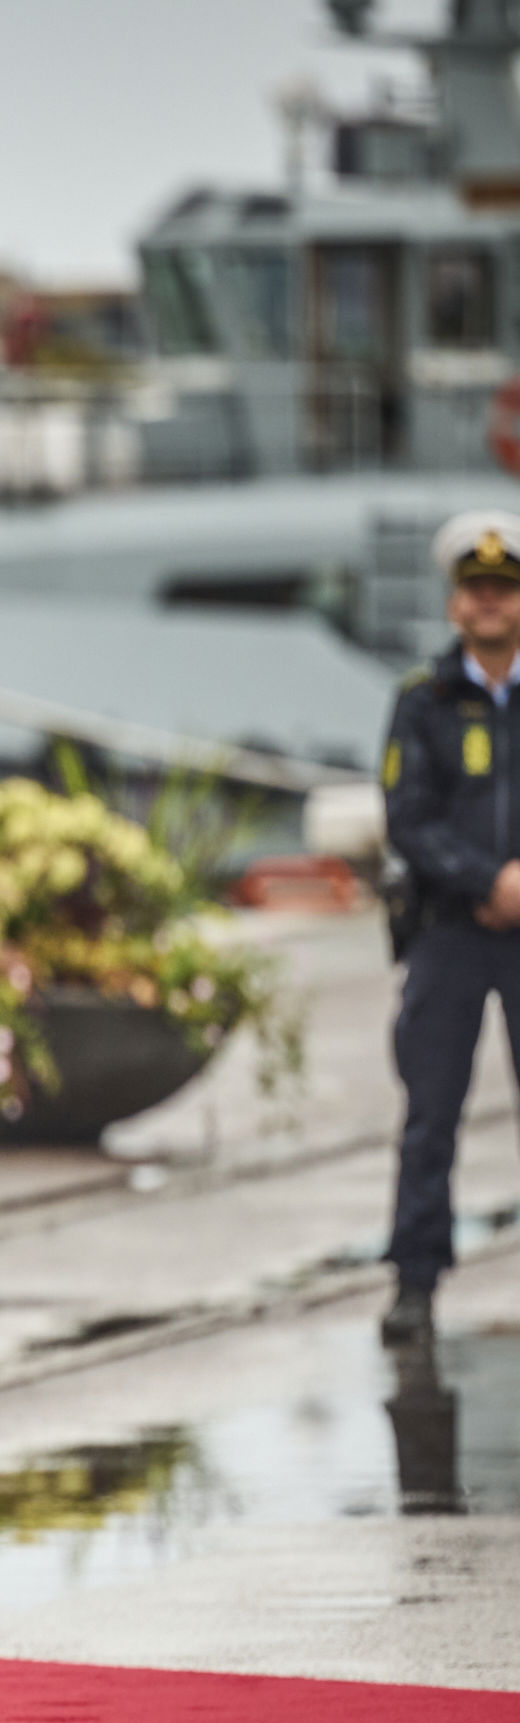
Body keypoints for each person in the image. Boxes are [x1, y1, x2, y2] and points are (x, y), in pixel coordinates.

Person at [379, 511, 520, 1349]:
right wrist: (489, 881)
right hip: (450, 932)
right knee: (431, 1114)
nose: (489, 602)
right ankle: (415, 1281)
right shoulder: (423, 702)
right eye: (476, 589)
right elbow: (407, 815)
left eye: (503, 589)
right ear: (453, 603)